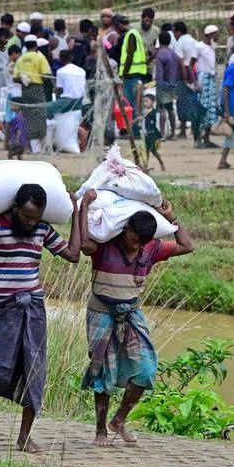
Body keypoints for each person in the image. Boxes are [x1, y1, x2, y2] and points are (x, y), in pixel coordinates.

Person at [0, 181, 81, 453]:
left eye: (35, 217)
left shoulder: (42, 229)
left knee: (35, 371)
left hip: (33, 306)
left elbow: (73, 255)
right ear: (15, 208)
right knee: (2, 370)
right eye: (26, 216)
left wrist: (76, 211)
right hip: (1, 307)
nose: (30, 222)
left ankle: (24, 437)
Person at [77, 191, 193, 446]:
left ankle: (118, 420)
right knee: (103, 372)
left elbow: (188, 246)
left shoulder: (151, 249)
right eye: (134, 239)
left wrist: (172, 218)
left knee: (146, 369)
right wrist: (84, 205)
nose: (137, 246)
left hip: (131, 313)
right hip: (101, 312)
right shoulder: (105, 246)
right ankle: (100, 431)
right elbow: (84, 244)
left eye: (142, 243)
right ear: (125, 229)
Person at [14, 34, 51, 154]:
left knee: (28, 116)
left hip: (25, 90)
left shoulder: (20, 59)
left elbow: (15, 77)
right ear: (36, 46)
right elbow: (46, 75)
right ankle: (39, 144)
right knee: (40, 114)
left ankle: (29, 145)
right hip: (37, 88)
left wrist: (25, 79)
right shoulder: (39, 57)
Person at [194, 25, 220, 148]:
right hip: (203, 79)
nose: (218, 36)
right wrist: (195, 82)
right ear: (209, 34)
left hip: (212, 79)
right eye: (216, 34)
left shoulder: (211, 47)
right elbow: (191, 65)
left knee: (211, 108)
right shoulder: (199, 47)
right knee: (203, 109)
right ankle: (198, 139)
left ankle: (207, 138)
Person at [153, 31, 181, 140]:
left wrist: (159, 83)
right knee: (170, 109)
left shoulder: (160, 54)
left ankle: (162, 133)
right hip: (173, 84)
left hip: (163, 84)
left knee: (162, 109)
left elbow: (159, 73)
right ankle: (173, 133)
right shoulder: (173, 54)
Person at [141, 92, 165, 171]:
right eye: (144, 102)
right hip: (147, 134)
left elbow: (154, 121)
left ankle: (161, 162)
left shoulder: (153, 112)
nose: (145, 103)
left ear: (153, 102)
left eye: (146, 101)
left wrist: (145, 115)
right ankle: (145, 165)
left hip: (153, 134)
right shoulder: (146, 112)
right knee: (146, 150)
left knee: (153, 151)